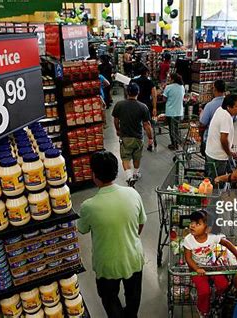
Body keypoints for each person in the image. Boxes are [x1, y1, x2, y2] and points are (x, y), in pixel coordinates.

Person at [78, 151, 147, 318]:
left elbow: (82, 229)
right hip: (133, 257)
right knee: (133, 296)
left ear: (94, 175)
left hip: (107, 263)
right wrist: (129, 237)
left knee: (109, 298)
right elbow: (141, 223)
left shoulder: (89, 206)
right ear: (116, 171)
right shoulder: (132, 193)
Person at [183, 210, 237, 317]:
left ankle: (216, 298)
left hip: (212, 266)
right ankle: (203, 310)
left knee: (223, 285)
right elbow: (188, 259)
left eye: (197, 223)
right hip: (196, 268)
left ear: (208, 228)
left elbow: (227, 243)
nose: (192, 225)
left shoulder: (213, 237)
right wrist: (197, 269)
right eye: (192, 222)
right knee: (204, 291)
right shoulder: (188, 240)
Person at [112, 83, 153, 186]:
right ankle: (135, 174)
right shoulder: (143, 107)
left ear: (127, 92)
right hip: (138, 138)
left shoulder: (119, 105)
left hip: (125, 137)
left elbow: (116, 120)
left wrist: (117, 130)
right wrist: (150, 138)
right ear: (138, 93)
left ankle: (129, 177)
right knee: (137, 157)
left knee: (125, 158)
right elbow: (147, 125)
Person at [205, 94, 237, 181]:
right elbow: (223, 139)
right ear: (229, 107)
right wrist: (229, 153)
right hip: (218, 157)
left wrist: (230, 152)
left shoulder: (220, 109)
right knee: (217, 181)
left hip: (211, 152)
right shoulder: (226, 117)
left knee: (211, 178)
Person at [199, 80, 226, 156]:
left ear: (214, 89)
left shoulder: (209, 106)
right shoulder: (229, 105)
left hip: (211, 139)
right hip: (225, 138)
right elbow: (234, 119)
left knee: (209, 162)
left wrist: (201, 113)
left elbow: (203, 123)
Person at [162, 73, 185, 150]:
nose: (168, 79)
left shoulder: (168, 87)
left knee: (172, 129)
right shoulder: (182, 87)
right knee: (176, 128)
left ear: (173, 79)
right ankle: (177, 143)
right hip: (179, 111)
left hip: (171, 112)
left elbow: (164, 99)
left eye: (169, 78)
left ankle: (174, 144)